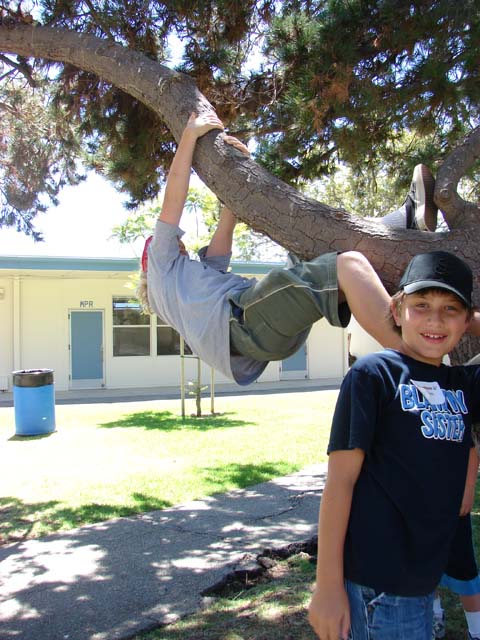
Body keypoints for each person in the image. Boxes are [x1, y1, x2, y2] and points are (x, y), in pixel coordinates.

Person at [138, 109, 434, 386]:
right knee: (348, 266)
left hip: (259, 338)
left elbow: (225, 228)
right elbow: (173, 198)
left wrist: (238, 169)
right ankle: (419, 364)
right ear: (150, 261)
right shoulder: (160, 266)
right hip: (246, 322)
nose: (180, 243)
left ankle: (402, 222)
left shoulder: (187, 288)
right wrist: (189, 135)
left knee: (309, 248)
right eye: (175, 242)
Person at [308, 249, 480, 640]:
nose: (435, 320)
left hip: (422, 579)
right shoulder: (374, 375)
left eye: (450, 309)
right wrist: (328, 586)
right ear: (397, 310)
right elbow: (339, 482)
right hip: (378, 586)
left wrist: (469, 323)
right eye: (421, 306)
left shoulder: (463, 385)